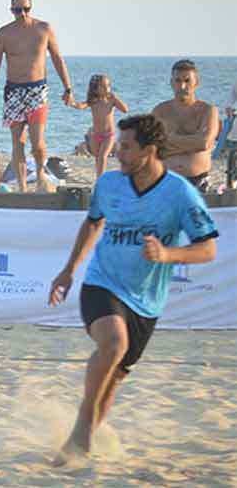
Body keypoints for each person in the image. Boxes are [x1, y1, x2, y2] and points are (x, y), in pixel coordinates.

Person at [48, 114, 219, 466]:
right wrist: (68, 271)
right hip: (102, 283)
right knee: (113, 343)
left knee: (113, 382)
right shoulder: (109, 184)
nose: (118, 154)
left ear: (149, 150)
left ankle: (76, 447)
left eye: (125, 147)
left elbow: (208, 249)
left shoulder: (180, 194)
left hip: (146, 301)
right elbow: (93, 224)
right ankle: (82, 422)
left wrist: (168, 253)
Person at [0, 0, 73, 193]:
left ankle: (41, 173)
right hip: (14, 91)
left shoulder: (44, 29)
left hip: (37, 90)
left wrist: (67, 88)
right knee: (18, 142)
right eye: (18, 10)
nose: (22, 14)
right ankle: (23, 187)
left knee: (38, 143)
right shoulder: (4, 33)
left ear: (30, 9)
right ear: (12, 11)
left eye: (26, 9)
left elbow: (58, 59)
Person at [152, 59, 219, 192]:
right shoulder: (160, 111)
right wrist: (191, 145)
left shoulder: (207, 110)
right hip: (164, 180)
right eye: (178, 81)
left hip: (198, 181)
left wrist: (168, 139)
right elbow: (152, 147)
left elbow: (204, 143)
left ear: (196, 83)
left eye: (187, 81)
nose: (182, 86)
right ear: (171, 83)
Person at [70, 74, 129, 180]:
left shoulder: (111, 100)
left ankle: (100, 181)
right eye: (103, 86)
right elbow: (81, 106)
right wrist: (73, 103)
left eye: (108, 85)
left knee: (102, 156)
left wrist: (116, 98)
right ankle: (100, 177)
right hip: (95, 135)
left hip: (109, 134)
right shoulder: (93, 101)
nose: (107, 88)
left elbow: (125, 110)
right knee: (98, 158)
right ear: (96, 88)